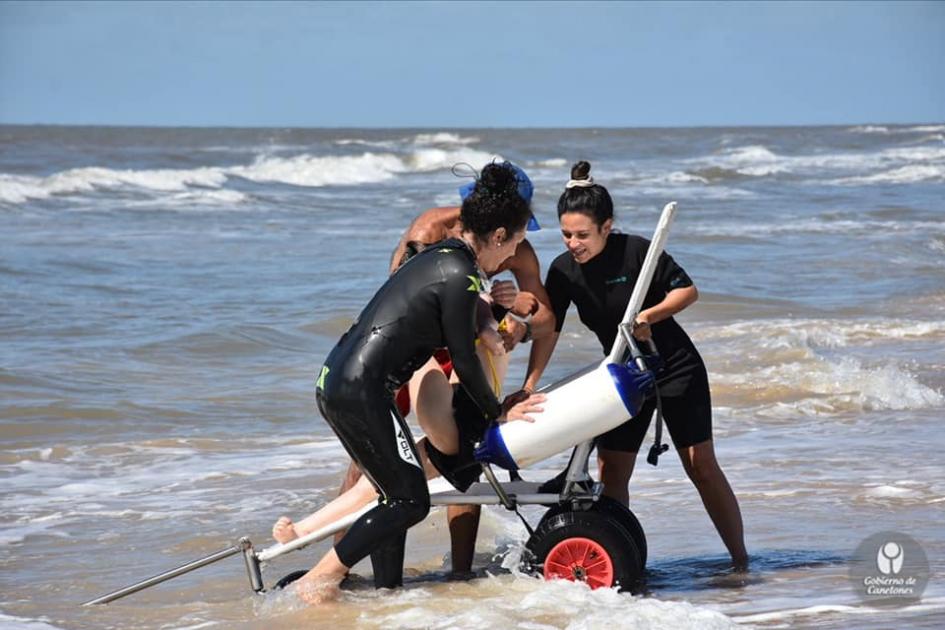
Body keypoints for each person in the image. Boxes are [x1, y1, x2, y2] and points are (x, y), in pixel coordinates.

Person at [274, 162, 555, 578]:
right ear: (497, 235)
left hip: (342, 381)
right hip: (363, 389)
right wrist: (497, 412)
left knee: (398, 485)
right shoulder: (456, 267)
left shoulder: (450, 258)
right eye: (513, 243)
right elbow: (461, 356)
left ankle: (382, 586)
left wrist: (496, 320)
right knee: (408, 498)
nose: (515, 254)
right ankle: (320, 580)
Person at [524, 161, 749, 570]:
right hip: (624, 376)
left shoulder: (638, 252)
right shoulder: (563, 271)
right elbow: (549, 330)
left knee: (701, 468)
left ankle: (740, 561)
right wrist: (531, 382)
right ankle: (619, 562)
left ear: (606, 227)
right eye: (566, 234)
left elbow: (687, 291)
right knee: (612, 475)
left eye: (583, 235)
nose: (573, 243)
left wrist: (650, 316)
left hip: (676, 367)